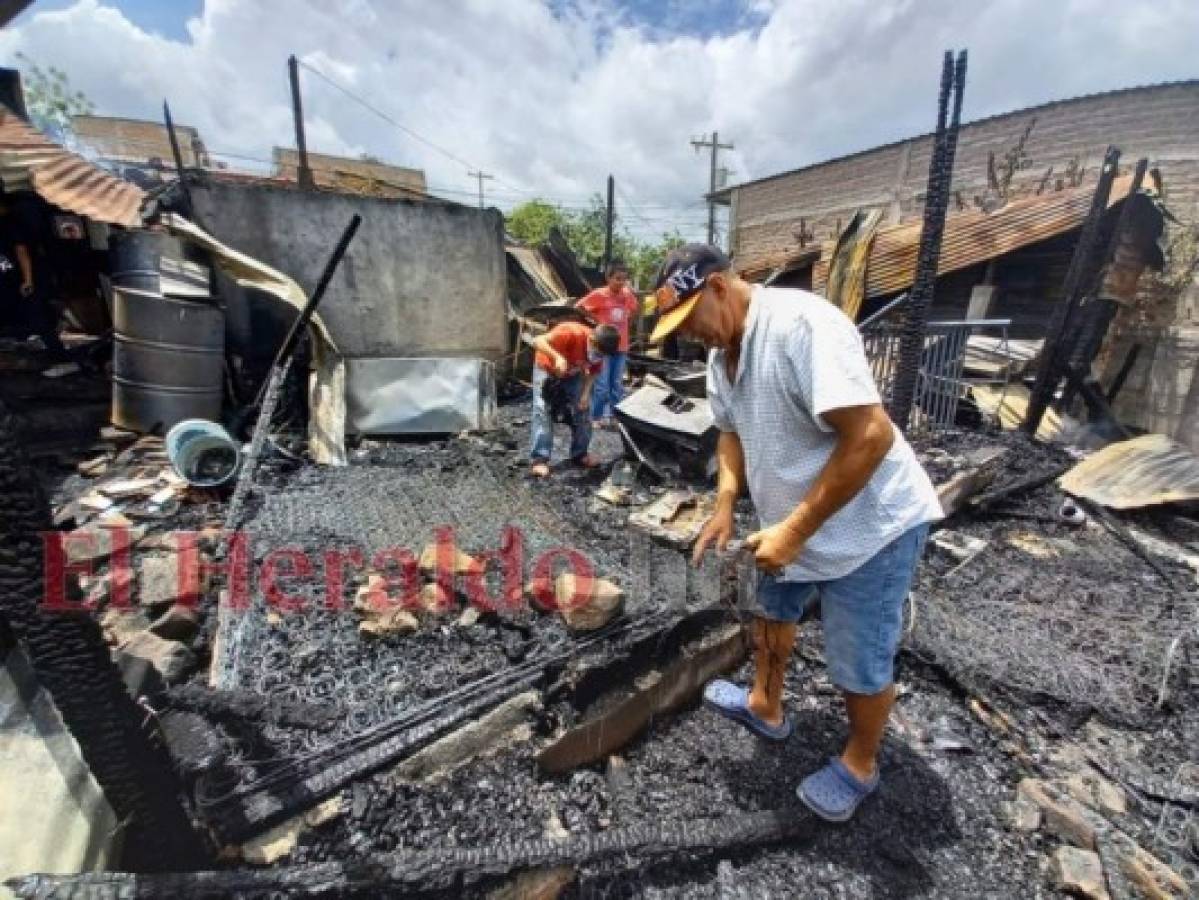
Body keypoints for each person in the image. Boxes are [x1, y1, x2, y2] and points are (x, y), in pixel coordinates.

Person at [653, 244, 942, 822]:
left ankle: (860, 763)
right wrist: (726, 502)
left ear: (716, 287)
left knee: (857, 659)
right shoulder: (720, 358)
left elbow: (871, 435)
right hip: (788, 525)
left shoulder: (801, 326)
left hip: (869, 527)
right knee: (771, 613)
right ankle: (765, 705)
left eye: (690, 321)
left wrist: (798, 529)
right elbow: (730, 432)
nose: (690, 337)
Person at [529, 321, 620, 478]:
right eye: (597, 352)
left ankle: (580, 454)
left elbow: (593, 372)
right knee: (543, 410)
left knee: (584, 410)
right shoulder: (570, 332)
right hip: (547, 368)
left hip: (573, 373)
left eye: (602, 355)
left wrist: (585, 394)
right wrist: (557, 357)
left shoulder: (601, 351)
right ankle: (539, 459)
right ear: (591, 340)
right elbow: (537, 340)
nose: (597, 356)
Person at [0, 196, 68, 360]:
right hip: (12, 278)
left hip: (18, 279)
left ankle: (56, 353)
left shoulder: (10, 224)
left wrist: (27, 279)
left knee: (36, 315)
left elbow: (21, 251)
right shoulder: (10, 223)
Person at [575, 262, 639, 426]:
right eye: (617, 279)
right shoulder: (600, 294)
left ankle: (615, 417)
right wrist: (597, 320)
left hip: (621, 346)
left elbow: (635, 309)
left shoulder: (627, 295)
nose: (621, 283)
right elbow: (579, 306)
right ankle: (596, 417)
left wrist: (627, 323)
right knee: (602, 385)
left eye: (624, 279)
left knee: (616, 384)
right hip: (604, 347)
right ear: (608, 278)